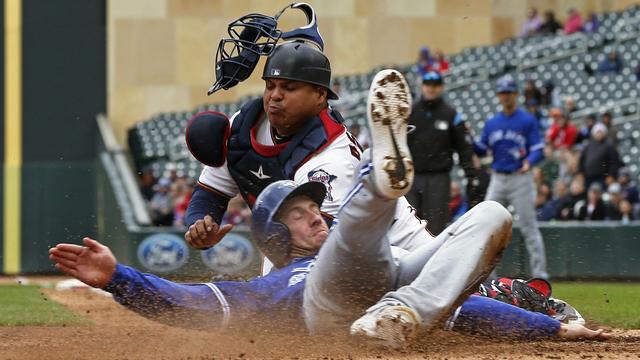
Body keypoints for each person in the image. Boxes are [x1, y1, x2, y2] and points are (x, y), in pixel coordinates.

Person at [49, 72, 608, 347]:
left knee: (490, 215)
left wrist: (552, 334)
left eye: (312, 206)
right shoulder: (275, 284)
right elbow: (189, 303)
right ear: (274, 237)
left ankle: (387, 212)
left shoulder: (332, 235)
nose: (314, 214)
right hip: (326, 296)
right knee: (355, 232)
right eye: (297, 213)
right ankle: (380, 180)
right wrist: (117, 277)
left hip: (390, 296)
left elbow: (461, 315)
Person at [183, 19, 435, 274]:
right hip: (323, 243)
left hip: (389, 237)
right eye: (270, 85)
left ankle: (382, 171)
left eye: (289, 87)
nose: (275, 95)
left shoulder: (331, 154)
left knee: (445, 289)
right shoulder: (243, 126)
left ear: (320, 96)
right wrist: (200, 224)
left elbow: (315, 240)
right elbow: (210, 193)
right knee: (281, 288)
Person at [473, 75, 549, 279]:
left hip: (519, 178)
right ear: (498, 95)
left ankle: (541, 276)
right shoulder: (492, 123)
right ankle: (487, 278)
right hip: (497, 178)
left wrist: (529, 162)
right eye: (502, 92)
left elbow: (538, 149)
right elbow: (482, 150)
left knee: (529, 228)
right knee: (487, 226)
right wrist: (468, 138)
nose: (506, 96)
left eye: (509, 92)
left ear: (516, 94)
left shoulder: (526, 120)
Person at [406, 71, 475, 235]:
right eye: (428, 85)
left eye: (436, 85)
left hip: (439, 178)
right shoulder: (410, 112)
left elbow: (463, 147)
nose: (431, 89)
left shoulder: (450, 114)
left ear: (441, 87)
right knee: (409, 225)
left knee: (436, 227)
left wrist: (470, 173)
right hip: (413, 177)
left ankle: (434, 261)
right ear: (422, 86)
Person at [578, 123, 622, 190]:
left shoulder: (609, 146)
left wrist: (611, 175)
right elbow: (582, 160)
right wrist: (581, 172)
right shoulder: (588, 146)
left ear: (605, 133)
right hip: (588, 177)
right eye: (597, 132)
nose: (599, 134)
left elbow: (614, 162)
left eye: (600, 132)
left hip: (602, 178)